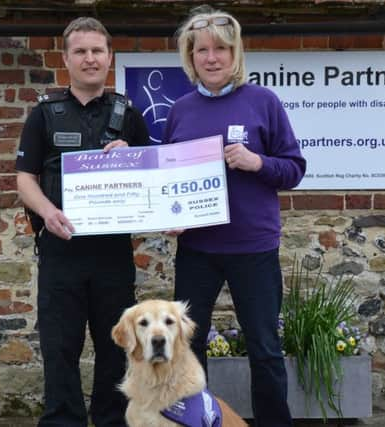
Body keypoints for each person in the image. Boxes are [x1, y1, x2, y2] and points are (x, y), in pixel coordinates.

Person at [163, 6, 306, 427]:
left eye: (220, 49)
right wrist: (171, 211)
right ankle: (197, 421)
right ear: (190, 57)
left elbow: (294, 169)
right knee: (188, 348)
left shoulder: (264, 101)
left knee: (264, 348)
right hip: (197, 249)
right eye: (202, 50)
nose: (211, 58)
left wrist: (256, 162)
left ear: (235, 53)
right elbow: (170, 175)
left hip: (253, 247)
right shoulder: (181, 109)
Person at [15, 17, 149, 427]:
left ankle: (111, 421)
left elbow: (152, 183)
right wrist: (46, 211)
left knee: (115, 349)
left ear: (109, 57)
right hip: (61, 251)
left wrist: (133, 157)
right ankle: (62, 420)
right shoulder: (44, 114)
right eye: (80, 51)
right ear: (66, 58)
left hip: (112, 254)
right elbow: (25, 180)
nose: (89, 58)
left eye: (97, 51)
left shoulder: (129, 115)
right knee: (60, 348)